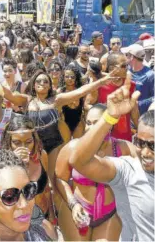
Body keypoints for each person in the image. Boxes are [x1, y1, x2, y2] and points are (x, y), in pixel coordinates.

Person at [69, 77, 154, 241]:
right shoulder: (128, 170)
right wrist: (109, 117)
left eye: (153, 146)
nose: (145, 152)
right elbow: (80, 161)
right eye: (140, 142)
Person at [56, 103, 131, 241]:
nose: (91, 128)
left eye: (96, 123)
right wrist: (73, 204)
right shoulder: (72, 148)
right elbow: (60, 179)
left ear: (109, 124)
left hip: (110, 214)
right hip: (77, 210)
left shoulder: (123, 148)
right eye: (88, 123)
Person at [1, 116, 57, 237]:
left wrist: (52, 215)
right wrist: (16, 164)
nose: (24, 147)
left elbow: (46, 188)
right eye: (16, 142)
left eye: (28, 142)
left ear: (34, 140)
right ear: (8, 141)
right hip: (16, 223)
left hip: (43, 218)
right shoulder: (1, 164)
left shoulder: (41, 156)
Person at [85, 52, 139, 141]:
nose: (127, 69)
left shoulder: (130, 85)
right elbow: (87, 105)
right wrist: (105, 110)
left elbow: (134, 110)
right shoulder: (100, 84)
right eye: (123, 66)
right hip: (104, 134)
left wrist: (139, 129)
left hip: (124, 135)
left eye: (127, 65)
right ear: (112, 68)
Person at [123, 43, 154, 115]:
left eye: (127, 54)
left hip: (141, 116)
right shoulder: (125, 70)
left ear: (132, 57)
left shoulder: (150, 75)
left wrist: (138, 104)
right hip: (126, 114)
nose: (124, 56)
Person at [58, 64, 85, 139]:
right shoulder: (60, 91)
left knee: (78, 146)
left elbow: (84, 108)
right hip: (64, 123)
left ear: (76, 78)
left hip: (78, 123)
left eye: (72, 77)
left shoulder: (81, 91)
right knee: (65, 146)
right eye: (67, 76)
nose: (70, 79)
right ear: (63, 77)